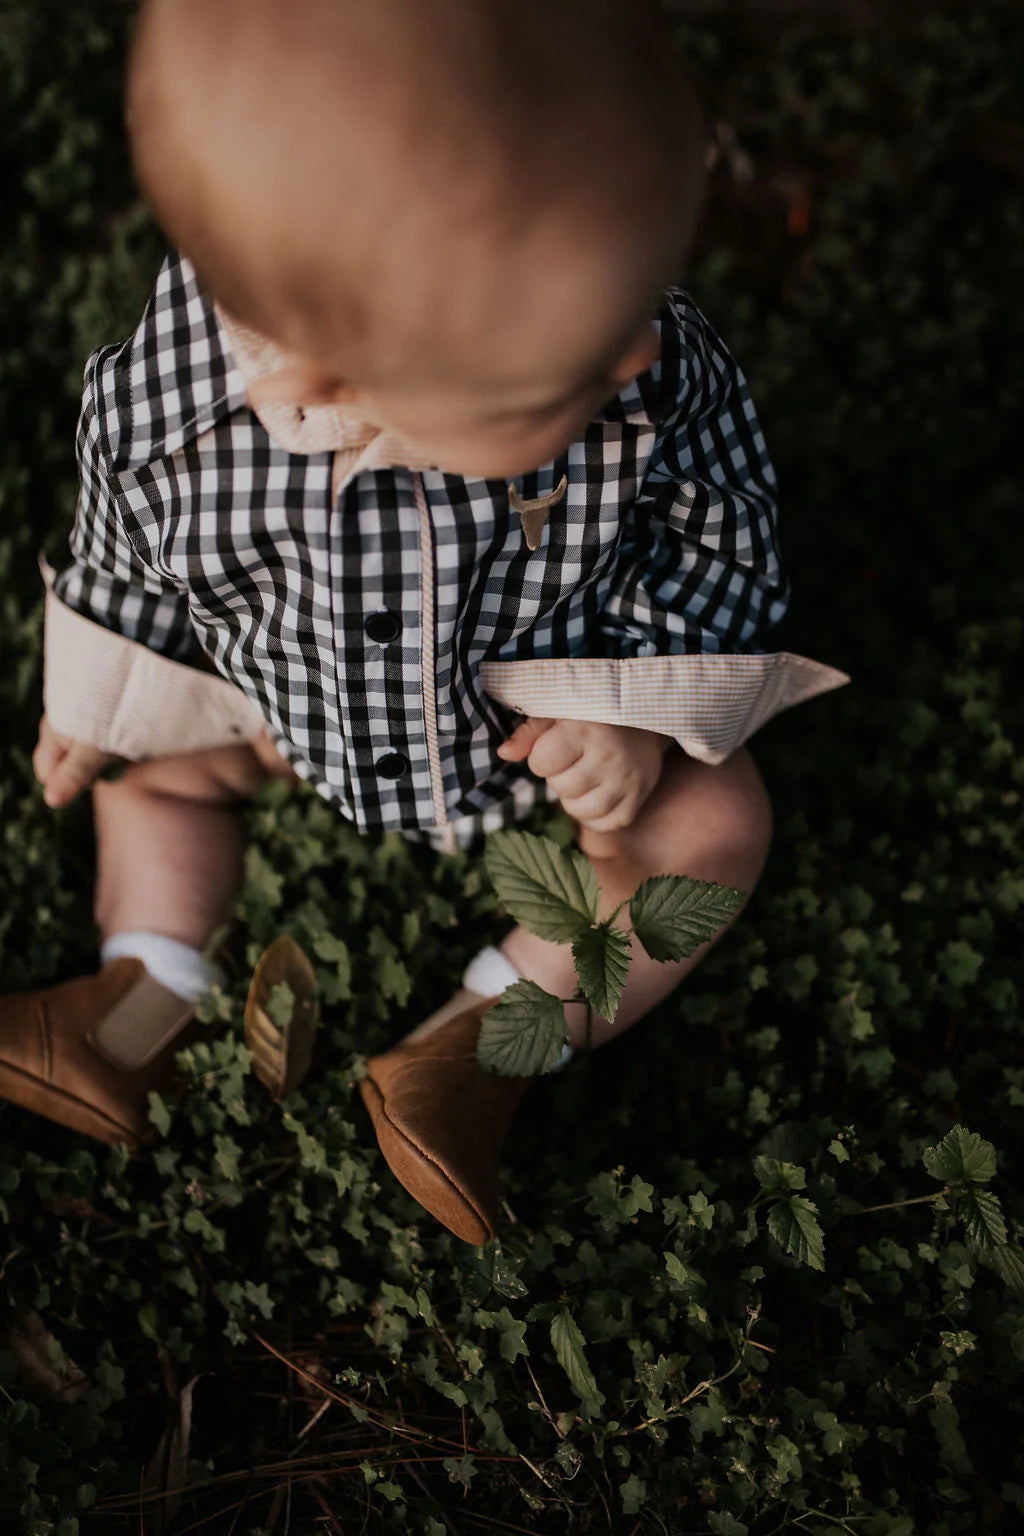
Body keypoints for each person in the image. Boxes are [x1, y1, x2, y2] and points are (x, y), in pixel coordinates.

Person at [0, 0, 846, 1245]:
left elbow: (719, 522)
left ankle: (478, 1050)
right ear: (329, 385)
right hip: (284, 706)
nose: (630, 368)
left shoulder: (637, 355)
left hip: (525, 727)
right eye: (561, 384)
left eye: (637, 318)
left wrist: (629, 702)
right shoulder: (168, 416)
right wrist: (103, 692)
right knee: (152, 776)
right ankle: (138, 1007)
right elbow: (127, 550)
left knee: (711, 827)